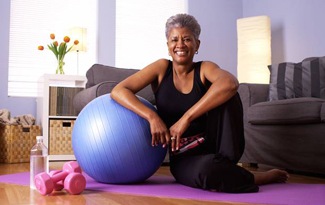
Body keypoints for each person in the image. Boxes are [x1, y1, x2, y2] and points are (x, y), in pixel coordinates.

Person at [111, 13, 289, 193]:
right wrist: (152, 116)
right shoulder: (161, 68)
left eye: (187, 39)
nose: (180, 44)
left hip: (218, 147)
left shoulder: (204, 69)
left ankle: (231, 169)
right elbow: (119, 90)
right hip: (184, 157)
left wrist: (186, 118)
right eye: (174, 39)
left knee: (227, 92)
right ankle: (252, 177)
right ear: (168, 46)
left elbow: (230, 83)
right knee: (206, 172)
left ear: (197, 45)